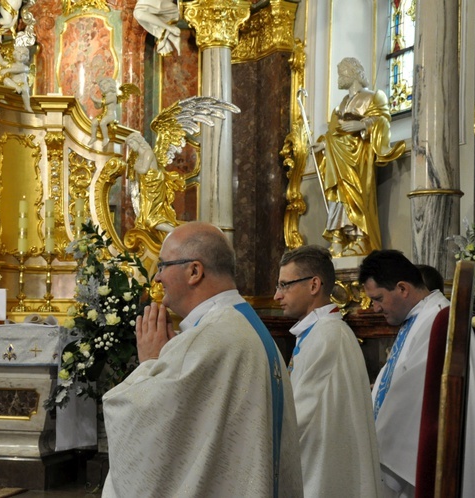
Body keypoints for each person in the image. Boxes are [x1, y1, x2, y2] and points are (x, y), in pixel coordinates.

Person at [102, 222, 303, 497]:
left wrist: (149, 363)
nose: (157, 278)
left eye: (162, 266)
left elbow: (135, 423)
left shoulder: (210, 339)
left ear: (194, 271)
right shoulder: (240, 324)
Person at [359, 250, 475, 498]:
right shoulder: (421, 319)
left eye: (378, 298)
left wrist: (370, 448)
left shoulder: (437, 322)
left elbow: (410, 408)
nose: (374, 308)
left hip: (413, 469)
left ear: (402, 288)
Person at [274, 245, 382, 498]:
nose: (277, 295)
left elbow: (299, 417)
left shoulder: (327, 336)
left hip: (323, 475)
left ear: (313, 285)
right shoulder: (319, 333)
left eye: (284, 285)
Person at [312, 57, 405, 257]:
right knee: (339, 197)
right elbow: (333, 132)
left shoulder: (373, 97)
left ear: (352, 74)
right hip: (339, 159)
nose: (338, 79)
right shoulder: (341, 105)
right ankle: (338, 238)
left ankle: (361, 239)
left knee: (357, 198)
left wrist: (363, 125)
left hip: (359, 159)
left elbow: (383, 120)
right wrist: (323, 144)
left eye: (341, 74)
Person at [124, 131, 184, 235]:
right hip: (146, 188)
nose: (131, 146)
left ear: (138, 141)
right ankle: (171, 234)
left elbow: (143, 170)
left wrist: (135, 166)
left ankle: (177, 233)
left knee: (150, 220)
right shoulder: (138, 156)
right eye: (129, 145)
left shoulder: (148, 153)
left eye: (132, 143)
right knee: (145, 219)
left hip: (155, 187)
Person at [0, 45, 33, 112]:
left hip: (22, 85)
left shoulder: (25, 67)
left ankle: (27, 106)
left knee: (25, 88)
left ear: (26, 57)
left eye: (23, 54)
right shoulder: (11, 65)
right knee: (6, 80)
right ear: (15, 54)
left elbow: (18, 69)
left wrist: (7, 70)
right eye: (19, 53)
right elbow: (1, 62)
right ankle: (9, 94)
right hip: (13, 85)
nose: (21, 55)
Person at [88, 78, 118, 147]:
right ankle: (93, 137)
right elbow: (98, 106)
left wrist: (94, 98)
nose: (103, 86)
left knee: (103, 122)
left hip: (111, 115)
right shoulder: (104, 96)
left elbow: (104, 101)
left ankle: (106, 138)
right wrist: (94, 101)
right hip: (104, 115)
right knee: (94, 122)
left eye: (104, 84)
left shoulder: (113, 96)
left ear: (111, 84)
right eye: (101, 86)